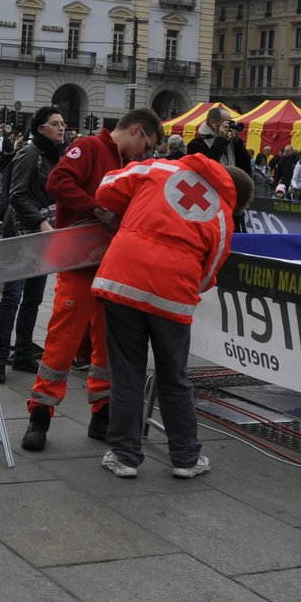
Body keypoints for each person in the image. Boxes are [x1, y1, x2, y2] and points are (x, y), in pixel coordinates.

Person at [93, 156, 251, 479]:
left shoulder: (160, 168)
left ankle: (124, 456)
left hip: (123, 279)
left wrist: (136, 209)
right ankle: (185, 458)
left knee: (127, 371)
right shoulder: (222, 216)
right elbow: (209, 274)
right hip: (173, 297)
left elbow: (105, 189)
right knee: (174, 376)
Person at [22, 108, 162, 452]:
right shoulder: (88, 146)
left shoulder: (126, 162)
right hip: (81, 264)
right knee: (62, 341)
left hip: (113, 265)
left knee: (106, 345)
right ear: (137, 131)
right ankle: (39, 416)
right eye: (146, 145)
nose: (144, 153)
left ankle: (102, 415)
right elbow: (58, 182)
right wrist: (95, 207)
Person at [0, 106, 66, 385]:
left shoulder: (54, 155)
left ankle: (23, 352)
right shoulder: (30, 153)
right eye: (55, 124)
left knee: (33, 298)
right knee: (12, 296)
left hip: (41, 234)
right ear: (40, 129)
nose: (61, 128)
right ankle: (0, 358)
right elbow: (17, 195)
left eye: (63, 123)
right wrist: (41, 222)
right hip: (21, 233)